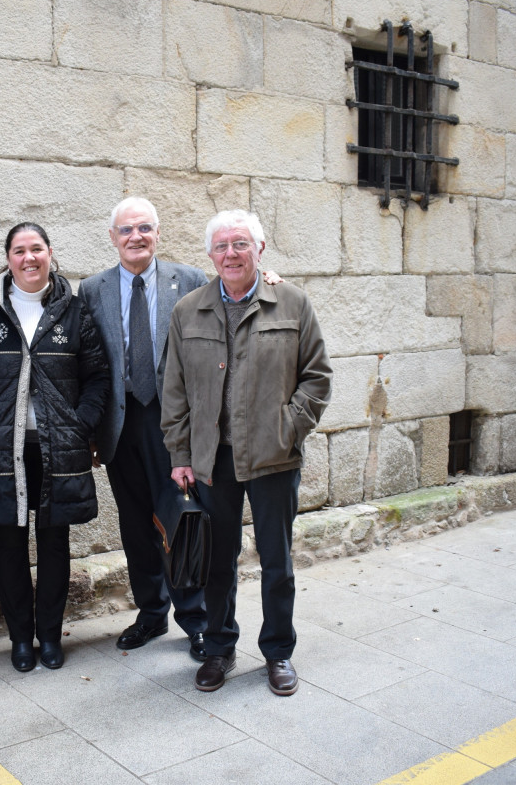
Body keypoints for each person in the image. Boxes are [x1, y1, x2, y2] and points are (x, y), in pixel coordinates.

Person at [162, 209, 332, 696]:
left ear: (260, 250)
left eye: (241, 244)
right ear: (210, 255)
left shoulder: (293, 303)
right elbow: (173, 388)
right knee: (218, 562)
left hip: (274, 457)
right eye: (222, 246)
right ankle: (218, 648)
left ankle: (278, 651)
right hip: (211, 460)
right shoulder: (188, 310)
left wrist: (288, 428)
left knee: (277, 561)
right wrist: (180, 453)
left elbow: (317, 378)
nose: (231, 254)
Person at [0, 222, 109, 672]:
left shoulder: (75, 313)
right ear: (8, 259)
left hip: (58, 447)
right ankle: (22, 641)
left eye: (36, 249)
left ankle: (50, 637)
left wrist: (80, 425)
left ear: (49, 253)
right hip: (4, 449)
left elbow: (98, 377)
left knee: (55, 542)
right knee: (10, 544)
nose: (28, 258)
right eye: (19, 250)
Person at [79, 197, 209, 661]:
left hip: (172, 422)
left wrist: (269, 278)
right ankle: (151, 614)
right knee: (136, 526)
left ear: (157, 233)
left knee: (179, 519)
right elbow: (87, 360)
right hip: (119, 423)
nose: (136, 237)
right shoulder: (92, 289)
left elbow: (236, 306)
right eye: (126, 230)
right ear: (113, 237)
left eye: (144, 228)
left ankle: (196, 619)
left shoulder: (192, 281)